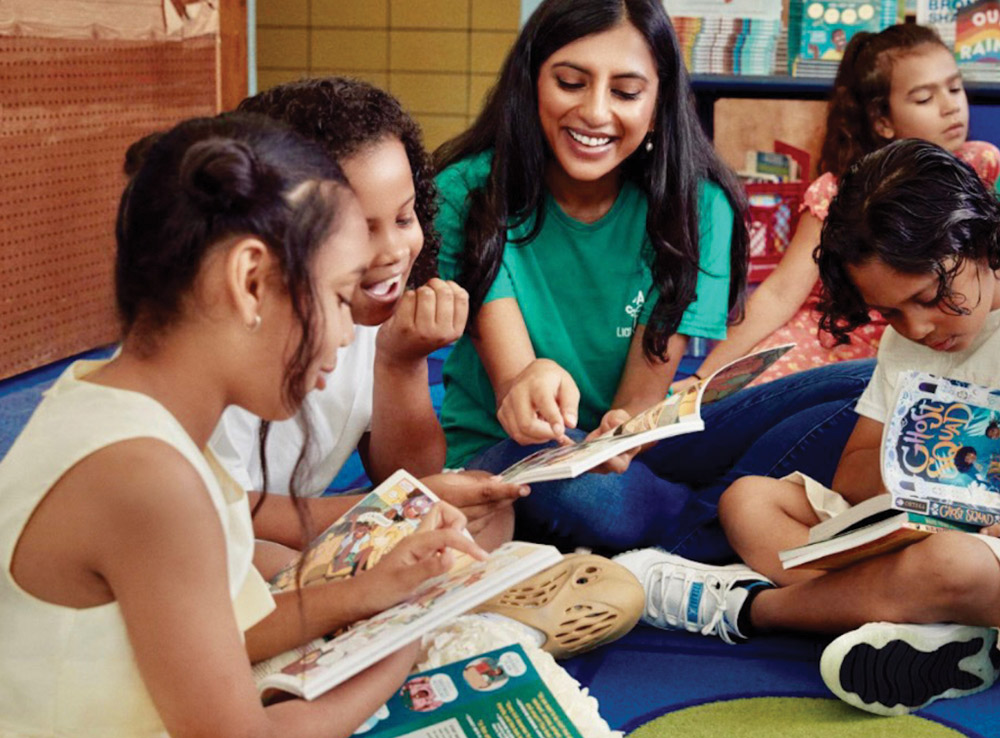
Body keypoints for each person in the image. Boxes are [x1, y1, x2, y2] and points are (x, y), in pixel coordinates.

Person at [0, 114, 490, 738]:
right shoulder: (149, 477)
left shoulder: (117, 406)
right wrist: (407, 644)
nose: (345, 333)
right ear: (251, 282)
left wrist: (377, 591)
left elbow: (216, 624)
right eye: (340, 298)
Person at [433, 0, 874, 560]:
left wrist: (629, 432)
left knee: (870, 382)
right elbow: (516, 385)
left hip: (633, 447)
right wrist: (532, 384)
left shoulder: (698, 205)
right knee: (580, 493)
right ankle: (717, 524)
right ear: (530, 81)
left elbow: (638, 406)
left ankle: (718, 512)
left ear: (660, 99)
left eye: (625, 92)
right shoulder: (468, 192)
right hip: (521, 454)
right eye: (570, 82)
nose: (595, 112)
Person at [615, 140, 1000, 715]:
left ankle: (749, 609)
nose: (918, 326)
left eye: (927, 296)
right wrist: (920, 479)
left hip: (975, 555)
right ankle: (937, 626)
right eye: (890, 312)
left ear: (977, 241)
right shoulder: (904, 344)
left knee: (954, 562)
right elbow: (852, 470)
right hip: (918, 531)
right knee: (748, 501)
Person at [209, 78, 526, 553]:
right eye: (360, 229)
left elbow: (409, 476)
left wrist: (402, 361)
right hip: (220, 536)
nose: (395, 251)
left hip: (298, 526)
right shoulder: (220, 340)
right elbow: (224, 512)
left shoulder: (372, 311)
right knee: (258, 558)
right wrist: (397, 510)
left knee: (485, 517)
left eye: (404, 218)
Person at [675, 23, 1000, 392]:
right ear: (882, 120)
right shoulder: (839, 193)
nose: (950, 107)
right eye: (924, 99)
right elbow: (782, 292)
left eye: (955, 88)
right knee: (750, 404)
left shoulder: (982, 165)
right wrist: (705, 377)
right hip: (835, 339)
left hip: (926, 344)